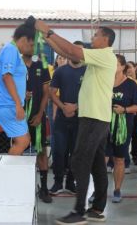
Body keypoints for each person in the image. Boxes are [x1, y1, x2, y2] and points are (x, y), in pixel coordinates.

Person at [35, 18, 117, 224]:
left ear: (105, 39)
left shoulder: (105, 54)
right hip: (95, 118)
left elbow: (72, 51)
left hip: (94, 119)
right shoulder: (99, 56)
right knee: (97, 164)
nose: (92, 38)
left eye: (96, 35)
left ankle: (79, 211)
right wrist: (46, 36)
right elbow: (67, 53)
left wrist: (49, 31)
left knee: (80, 160)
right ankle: (97, 208)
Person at [0, 21, 36, 155]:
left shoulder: (13, 51)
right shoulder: (10, 50)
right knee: (23, 141)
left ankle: (14, 172)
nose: (32, 48)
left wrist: (22, 96)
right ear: (24, 39)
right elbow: (7, 77)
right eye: (31, 44)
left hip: (11, 103)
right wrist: (18, 103)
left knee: (25, 139)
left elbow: (13, 78)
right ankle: (8, 174)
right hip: (6, 104)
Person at [49, 41, 86, 196]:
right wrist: (64, 107)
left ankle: (71, 183)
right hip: (62, 119)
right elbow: (51, 93)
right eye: (74, 50)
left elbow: (91, 94)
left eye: (80, 51)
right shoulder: (60, 71)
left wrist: (75, 107)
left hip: (80, 118)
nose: (76, 54)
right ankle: (58, 183)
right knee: (58, 151)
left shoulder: (88, 71)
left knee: (75, 153)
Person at [105, 54, 137, 202]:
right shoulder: (104, 81)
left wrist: (124, 110)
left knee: (119, 159)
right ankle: (99, 191)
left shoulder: (131, 84)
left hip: (122, 127)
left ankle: (117, 190)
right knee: (101, 159)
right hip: (104, 126)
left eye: (114, 63)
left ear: (122, 67)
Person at [23, 52, 52, 203]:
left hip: (37, 117)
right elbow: (6, 90)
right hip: (18, 118)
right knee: (17, 151)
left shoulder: (42, 65)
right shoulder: (14, 64)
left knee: (41, 151)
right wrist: (22, 95)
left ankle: (44, 188)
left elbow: (46, 92)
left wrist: (40, 113)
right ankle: (20, 187)